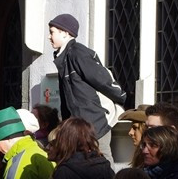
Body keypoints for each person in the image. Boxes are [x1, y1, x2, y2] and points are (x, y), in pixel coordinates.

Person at [48, 13, 127, 162]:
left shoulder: (78, 53)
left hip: (95, 124)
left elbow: (102, 79)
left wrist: (122, 97)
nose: (49, 37)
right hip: (81, 127)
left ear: (65, 33)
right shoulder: (63, 58)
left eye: (52, 32)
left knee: (101, 159)